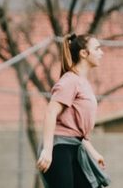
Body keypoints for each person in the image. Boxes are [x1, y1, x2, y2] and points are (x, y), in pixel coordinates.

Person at [37, 34, 110, 188]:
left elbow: (77, 130)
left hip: (75, 147)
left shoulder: (83, 83)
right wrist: (47, 150)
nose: (101, 53)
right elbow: (51, 112)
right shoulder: (70, 80)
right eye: (97, 48)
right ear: (84, 53)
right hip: (59, 148)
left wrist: (93, 153)